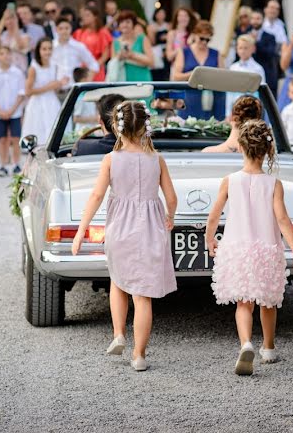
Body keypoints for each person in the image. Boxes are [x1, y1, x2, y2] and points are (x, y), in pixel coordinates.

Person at [71, 100, 178, 372]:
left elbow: (96, 196)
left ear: (117, 128)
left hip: (119, 228)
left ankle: (118, 334)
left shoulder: (111, 159)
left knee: (118, 282)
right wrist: (170, 217)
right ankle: (139, 355)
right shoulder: (157, 159)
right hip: (151, 230)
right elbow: (172, 198)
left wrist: (81, 230)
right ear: (146, 126)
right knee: (143, 296)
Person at [206, 119, 293, 376]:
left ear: (240, 147)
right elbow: (283, 219)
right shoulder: (273, 184)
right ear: (268, 150)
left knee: (243, 304)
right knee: (268, 303)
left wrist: (209, 239)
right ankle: (268, 348)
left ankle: (246, 343)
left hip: (237, 249)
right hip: (266, 250)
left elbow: (214, 215)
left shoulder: (229, 180)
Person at [171, 21, 225, 121]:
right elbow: (176, 76)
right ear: (195, 35)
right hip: (189, 99)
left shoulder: (216, 53)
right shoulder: (184, 52)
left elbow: (223, 77)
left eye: (207, 40)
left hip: (211, 100)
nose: (204, 42)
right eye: (202, 38)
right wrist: (194, 74)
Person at [21, 38, 68, 145]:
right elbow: (28, 91)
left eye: (50, 49)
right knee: (38, 133)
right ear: (39, 50)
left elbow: (54, 87)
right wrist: (49, 86)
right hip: (37, 104)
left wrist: (60, 84)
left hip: (51, 102)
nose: (47, 52)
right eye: (44, 49)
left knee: (52, 131)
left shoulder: (54, 65)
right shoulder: (34, 67)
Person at [0, 46, 26, 176]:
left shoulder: (18, 73)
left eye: (8, 54)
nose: (6, 56)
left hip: (14, 111)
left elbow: (21, 93)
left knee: (15, 138)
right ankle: (3, 165)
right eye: (2, 53)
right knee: (2, 139)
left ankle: (16, 164)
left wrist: (12, 110)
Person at [225, 34, 265, 114]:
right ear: (237, 49)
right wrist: (228, 112)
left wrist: (258, 111)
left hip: (251, 108)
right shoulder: (233, 67)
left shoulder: (258, 69)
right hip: (235, 106)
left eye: (246, 48)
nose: (243, 51)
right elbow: (229, 91)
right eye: (240, 48)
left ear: (253, 49)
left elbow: (261, 91)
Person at [52, 17, 98, 86]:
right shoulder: (51, 47)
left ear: (71, 29)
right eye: (61, 29)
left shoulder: (78, 46)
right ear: (56, 30)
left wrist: (87, 81)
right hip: (56, 90)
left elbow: (94, 64)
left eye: (67, 28)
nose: (64, 31)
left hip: (74, 88)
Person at [111, 10, 154, 82]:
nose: (124, 25)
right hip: (122, 82)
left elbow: (151, 62)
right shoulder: (115, 42)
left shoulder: (142, 39)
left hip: (142, 81)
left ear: (133, 24)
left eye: (127, 22)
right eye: (122, 22)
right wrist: (120, 56)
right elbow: (113, 64)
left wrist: (132, 55)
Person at [73, 5, 113, 82]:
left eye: (87, 15)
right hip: (81, 70)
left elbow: (105, 55)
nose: (84, 17)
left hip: (96, 68)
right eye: (83, 15)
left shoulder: (102, 32)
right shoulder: (78, 33)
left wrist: (93, 67)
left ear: (95, 17)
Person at [0, 6, 30, 73]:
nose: (9, 21)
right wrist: (3, 17)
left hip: (18, 67)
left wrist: (15, 23)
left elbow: (20, 45)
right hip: (3, 66)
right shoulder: (3, 35)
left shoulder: (24, 36)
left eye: (11, 18)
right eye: (7, 19)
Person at [251, 8, 280, 96]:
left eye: (258, 18)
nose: (255, 21)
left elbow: (270, 53)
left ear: (263, 20)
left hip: (266, 74)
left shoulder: (270, 36)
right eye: (253, 18)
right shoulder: (245, 34)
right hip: (250, 73)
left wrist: (256, 42)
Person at [164, 7, 197, 71]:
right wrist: (181, 47)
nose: (183, 18)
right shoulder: (172, 34)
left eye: (186, 16)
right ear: (176, 18)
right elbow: (169, 57)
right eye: (180, 16)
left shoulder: (194, 34)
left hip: (192, 68)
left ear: (190, 18)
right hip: (177, 69)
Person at [147, 6, 170, 80]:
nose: (161, 15)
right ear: (155, 15)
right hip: (157, 51)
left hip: (167, 49)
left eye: (163, 13)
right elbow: (152, 42)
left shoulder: (169, 26)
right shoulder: (151, 27)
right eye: (159, 13)